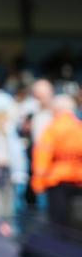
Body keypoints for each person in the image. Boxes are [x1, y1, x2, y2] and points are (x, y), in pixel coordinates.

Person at [31, 94, 82, 232]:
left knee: (58, 225)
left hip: (58, 181)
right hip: (78, 181)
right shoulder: (79, 128)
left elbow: (42, 156)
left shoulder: (53, 129)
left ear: (57, 110)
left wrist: (38, 183)